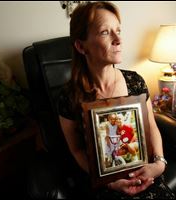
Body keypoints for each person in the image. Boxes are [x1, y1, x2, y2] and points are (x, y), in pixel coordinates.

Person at [58, 1, 170, 198]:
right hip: (104, 184)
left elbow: (152, 127)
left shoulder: (135, 81)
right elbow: (76, 150)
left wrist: (159, 164)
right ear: (81, 46)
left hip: (145, 174)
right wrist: (109, 182)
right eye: (104, 32)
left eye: (118, 30)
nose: (118, 39)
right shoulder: (69, 96)